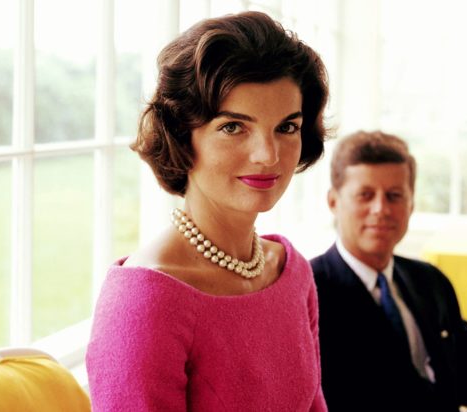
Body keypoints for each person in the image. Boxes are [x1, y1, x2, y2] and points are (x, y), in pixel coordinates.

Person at [86, 11, 330, 411]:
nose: (268, 155)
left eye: (287, 127)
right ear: (182, 136)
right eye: (233, 127)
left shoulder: (292, 272)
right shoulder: (144, 302)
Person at [310, 130, 467, 412]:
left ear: (411, 204)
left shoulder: (430, 281)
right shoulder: (309, 292)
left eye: (394, 196)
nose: (380, 209)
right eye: (365, 195)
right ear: (333, 202)